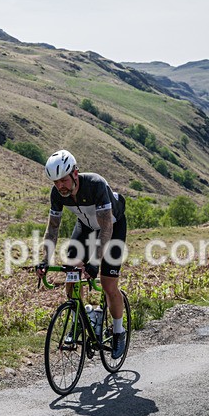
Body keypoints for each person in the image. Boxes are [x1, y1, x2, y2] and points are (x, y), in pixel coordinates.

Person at [36, 149, 128, 358]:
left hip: (112, 226)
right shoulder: (57, 194)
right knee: (71, 267)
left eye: (63, 181)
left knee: (107, 284)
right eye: (55, 182)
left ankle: (118, 331)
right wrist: (43, 261)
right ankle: (82, 315)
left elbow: (105, 230)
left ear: (75, 174)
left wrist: (95, 262)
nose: (60, 186)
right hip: (85, 227)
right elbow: (52, 230)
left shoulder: (96, 185)